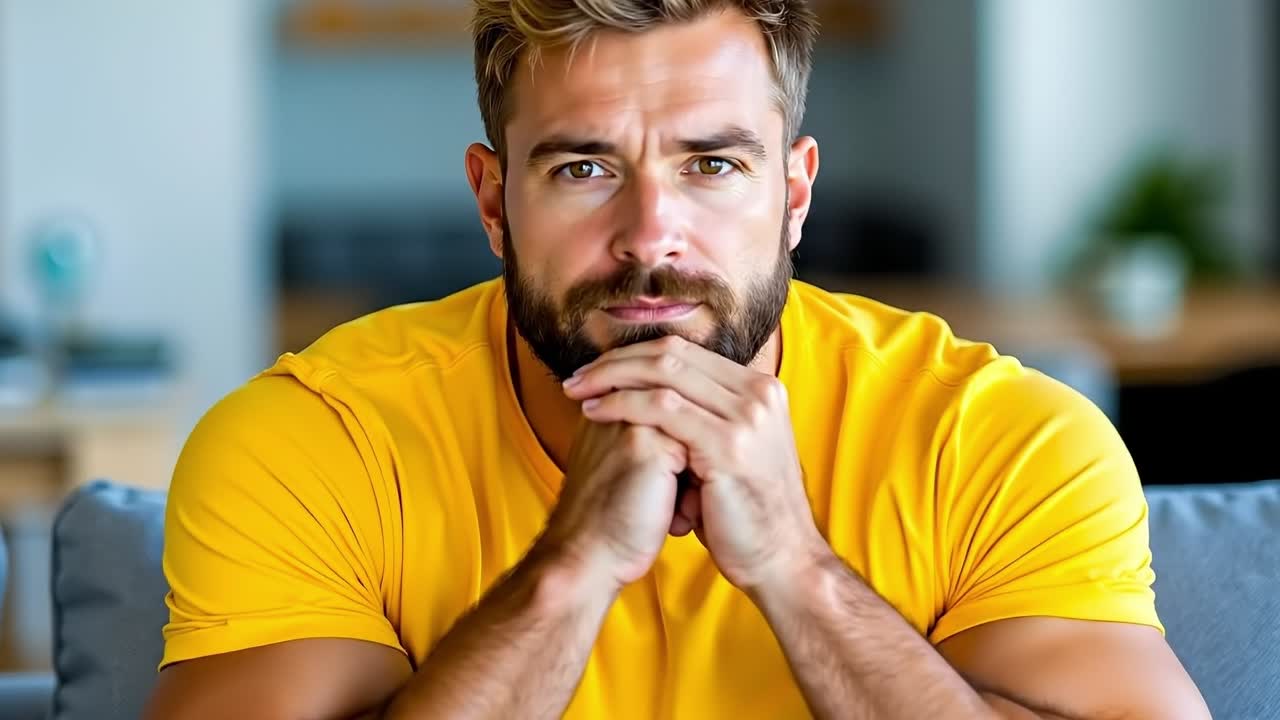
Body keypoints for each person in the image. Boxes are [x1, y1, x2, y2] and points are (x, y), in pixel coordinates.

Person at [144, 1, 1210, 718]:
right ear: (491, 202)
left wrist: (796, 572)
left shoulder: (1000, 437)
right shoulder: (310, 439)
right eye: (582, 167)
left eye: (711, 164)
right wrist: (568, 573)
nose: (651, 235)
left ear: (792, 194)